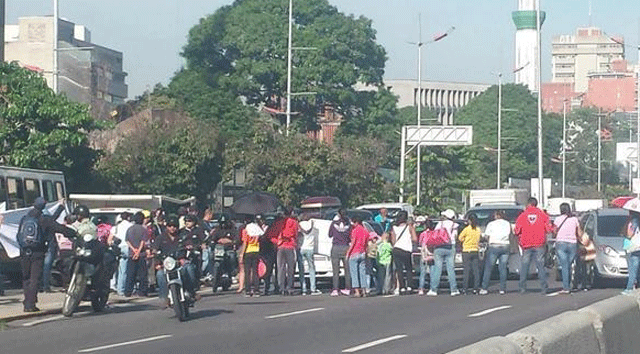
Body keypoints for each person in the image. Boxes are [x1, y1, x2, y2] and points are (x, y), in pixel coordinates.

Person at [14, 197, 76, 312]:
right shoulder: (45, 219)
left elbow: (18, 235)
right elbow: (59, 228)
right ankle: (30, 305)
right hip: (38, 252)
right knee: (34, 279)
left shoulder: (25, 218)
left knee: (26, 278)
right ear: (44, 206)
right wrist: (73, 232)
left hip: (24, 252)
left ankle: (27, 301)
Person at [154, 215, 197, 307]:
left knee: (189, 268)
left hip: (179, 263)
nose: (172, 228)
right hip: (167, 264)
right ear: (166, 227)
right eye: (170, 226)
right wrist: (157, 261)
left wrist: (189, 247)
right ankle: (164, 297)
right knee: (160, 274)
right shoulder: (160, 238)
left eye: (174, 226)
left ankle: (192, 292)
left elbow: (189, 243)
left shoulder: (182, 236)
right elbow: (154, 249)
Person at [514, 197, 553, 294]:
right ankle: (544, 287)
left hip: (526, 244)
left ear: (529, 204)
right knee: (540, 265)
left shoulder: (522, 216)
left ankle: (522, 287)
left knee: (525, 266)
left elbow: (516, 230)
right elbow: (548, 229)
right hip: (539, 243)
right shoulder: (543, 215)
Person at [428, 209, 460, 296]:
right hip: (450, 246)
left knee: (438, 269)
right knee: (451, 269)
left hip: (439, 247)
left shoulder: (440, 224)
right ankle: (453, 289)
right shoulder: (455, 225)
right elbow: (456, 237)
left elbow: (434, 234)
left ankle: (433, 289)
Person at [480, 210, 512, 295]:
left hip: (494, 245)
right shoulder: (507, 224)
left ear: (497, 215)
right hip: (505, 245)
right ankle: (502, 288)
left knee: (489, 267)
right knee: (503, 268)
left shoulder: (491, 224)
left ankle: (484, 287)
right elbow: (509, 234)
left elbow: (486, 236)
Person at [553, 203, 583, 294]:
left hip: (561, 243)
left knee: (564, 265)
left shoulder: (558, 219)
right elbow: (579, 232)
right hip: (572, 243)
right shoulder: (574, 219)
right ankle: (569, 284)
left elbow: (554, 230)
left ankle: (566, 287)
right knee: (569, 265)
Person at [41, 198, 66, 293]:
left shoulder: (34, 219)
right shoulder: (48, 221)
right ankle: (46, 286)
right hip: (49, 245)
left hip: (38, 246)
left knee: (39, 266)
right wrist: (61, 206)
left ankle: (40, 286)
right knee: (47, 266)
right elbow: (54, 218)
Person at [390, 210, 417, 295]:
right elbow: (415, 239)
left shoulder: (394, 228)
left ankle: (401, 287)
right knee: (408, 269)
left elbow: (393, 241)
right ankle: (409, 286)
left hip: (397, 249)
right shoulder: (409, 227)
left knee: (399, 269)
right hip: (406, 250)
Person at [329, 208, 352, 296]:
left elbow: (330, 234)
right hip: (346, 246)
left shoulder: (334, 223)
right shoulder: (349, 224)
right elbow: (350, 236)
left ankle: (335, 289)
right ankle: (348, 288)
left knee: (335, 270)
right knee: (347, 270)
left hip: (336, 247)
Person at [125, 212, 148, 297]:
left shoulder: (130, 229)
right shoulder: (143, 229)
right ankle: (142, 291)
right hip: (141, 254)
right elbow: (143, 241)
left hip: (131, 254)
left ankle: (128, 291)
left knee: (130, 274)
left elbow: (127, 241)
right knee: (142, 274)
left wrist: (133, 250)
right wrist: (138, 251)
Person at [240, 216, 264, 297]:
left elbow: (245, 243)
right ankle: (256, 290)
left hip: (248, 251)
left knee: (247, 272)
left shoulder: (246, 230)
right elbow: (261, 236)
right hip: (256, 251)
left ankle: (248, 290)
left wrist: (241, 254)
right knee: (255, 271)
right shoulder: (257, 228)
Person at [347, 216, 370, 297]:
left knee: (354, 273)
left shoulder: (355, 230)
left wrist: (348, 253)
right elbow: (367, 243)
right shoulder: (365, 231)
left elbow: (353, 242)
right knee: (362, 272)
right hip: (363, 252)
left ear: (356, 222)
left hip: (354, 253)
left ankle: (357, 291)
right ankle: (364, 290)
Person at [277, 208, 298, 296]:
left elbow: (272, 234)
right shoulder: (294, 222)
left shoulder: (280, 223)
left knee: (281, 268)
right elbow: (295, 233)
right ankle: (290, 287)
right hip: (290, 246)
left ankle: (281, 287)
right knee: (290, 268)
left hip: (281, 246)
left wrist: (277, 241)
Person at [459, 213, 481, 294]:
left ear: (469, 220)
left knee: (467, 271)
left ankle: (465, 288)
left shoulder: (466, 229)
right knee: (476, 271)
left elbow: (460, 238)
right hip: (475, 250)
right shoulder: (478, 229)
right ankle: (476, 288)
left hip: (467, 251)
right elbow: (479, 239)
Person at [111, 212, 133, 296]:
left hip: (116, 248)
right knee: (124, 270)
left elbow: (110, 239)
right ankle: (121, 289)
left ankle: (113, 285)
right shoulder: (130, 226)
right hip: (127, 247)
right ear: (128, 218)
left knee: (116, 269)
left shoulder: (116, 227)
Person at [299, 215, 321, 295]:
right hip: (310, 249)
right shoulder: (314, 228)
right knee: (311, 269)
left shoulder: (300, 225)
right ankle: (313, 288)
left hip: (301, 248)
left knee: (302, 269)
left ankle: (303, 289)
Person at [623, 210, 640, 295]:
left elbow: (629, 234)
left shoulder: (633, 222)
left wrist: (627, 226)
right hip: (638, 247)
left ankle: (629, 287)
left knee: (632, 269)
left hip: (633, 247)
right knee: (637, 269)